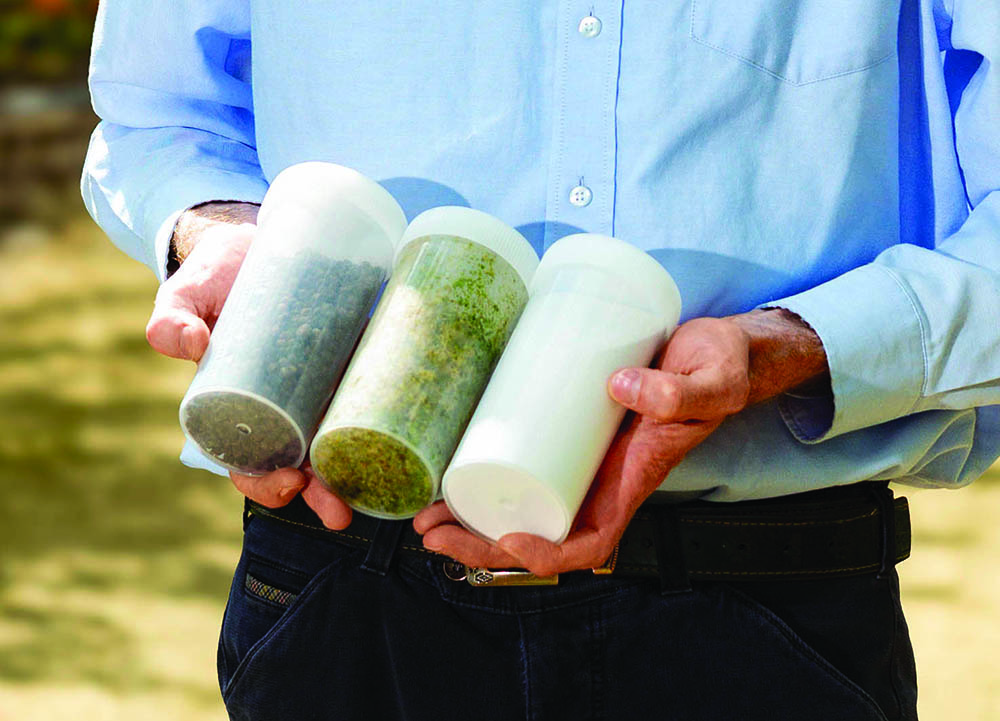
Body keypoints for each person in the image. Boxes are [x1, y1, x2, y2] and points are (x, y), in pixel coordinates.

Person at [82, 2, 1000, 719]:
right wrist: (217, 228)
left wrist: (785, 348)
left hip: (764, 611)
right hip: (345, 591)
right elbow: (159, 111)